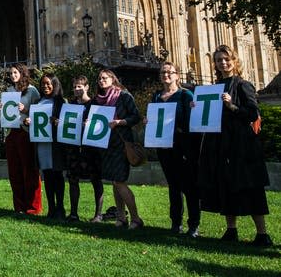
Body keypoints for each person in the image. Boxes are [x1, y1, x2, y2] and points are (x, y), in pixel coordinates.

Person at [198, 45, 272, 246]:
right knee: (226, 184)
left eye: (226, 59)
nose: (223, 63)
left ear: (234, 61)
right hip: (221, 143)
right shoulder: (215, 87)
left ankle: (262, 233)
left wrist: (232, 106)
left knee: (250, 187)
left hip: (242, 144)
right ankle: (231, 230)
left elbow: (252, 113)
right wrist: (197, 108)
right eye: (219, 60)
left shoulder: (242, 85)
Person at [147, 63, 200, 236]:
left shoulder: (185, 95)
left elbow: (193, 121)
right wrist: (149, 121)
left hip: (182, 146)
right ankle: (176, 223)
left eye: (170, 72)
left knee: (189, 186)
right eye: (163, 72)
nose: (166, 75)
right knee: (173, 186)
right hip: (164, 147)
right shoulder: (156, 96)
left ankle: (193, 224)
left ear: (177, 75)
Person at [96, 69, 144, 229]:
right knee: (115, 181)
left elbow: (136, 116)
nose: (101, 80)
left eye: (105, 78)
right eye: (99, 78)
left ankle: (136, 218)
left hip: (121, 143)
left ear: (112, 79)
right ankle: (121, 217)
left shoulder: (123, 95)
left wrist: (120, 122)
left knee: (119, 180)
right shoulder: (99, 99)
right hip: (107, 144)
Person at [65, 76, 104, 222]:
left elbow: (102, 124)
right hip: (74, 148)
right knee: (73, 180)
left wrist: (91, 124)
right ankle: (74, 214)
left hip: (91, 149)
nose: (76, 89)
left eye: (79, 86)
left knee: (96, 179)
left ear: (87, 87)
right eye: (74, 87)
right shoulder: (71, 105)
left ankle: (98, 215)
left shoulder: (95, 104)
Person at [4, 64, 42, 215]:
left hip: (25, 132)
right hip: (11, 132)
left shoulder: (32, 91)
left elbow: (41, 111)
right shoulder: (8, 91)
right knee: (15, 171)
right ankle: (19, 206)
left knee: (30, 170)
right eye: (11, 73)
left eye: (15, 72)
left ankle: (33, 207)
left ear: (22, 73)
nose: (13, 75)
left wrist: (26, 111)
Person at [35, 74, 67, 219]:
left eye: (48, 84)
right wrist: (29, 121)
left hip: (55, 145)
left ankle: (60, 208)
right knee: (47, 176)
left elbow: (66, 123)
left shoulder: (61, 102)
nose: (45, 86)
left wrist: (58, 122)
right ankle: (51, 208)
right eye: (43, 84)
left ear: (55, 84)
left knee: (58, 176)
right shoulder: (38, 102)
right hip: (42, 144)